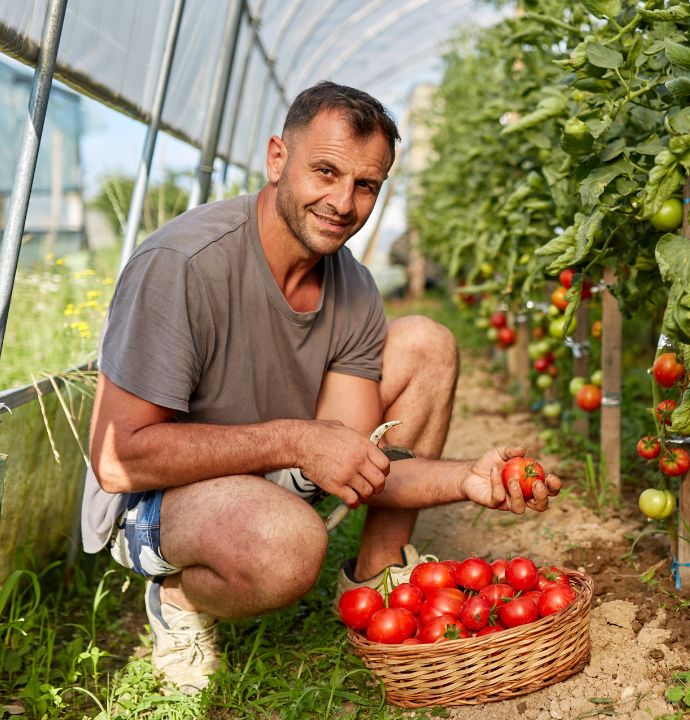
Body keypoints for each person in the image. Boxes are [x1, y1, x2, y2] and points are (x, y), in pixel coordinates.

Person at [80, 81, 560, 694]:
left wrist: (466, 478)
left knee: (425, 341)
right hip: (154, 501)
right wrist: (299, 440)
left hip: (266, 473)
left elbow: (361, 457)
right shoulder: (185, 264)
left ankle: (378, 583)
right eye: (325, 171)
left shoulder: (352, 286)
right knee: (288, 547)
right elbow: (120, 461)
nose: (342, 202)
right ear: (278, 158)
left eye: (366, 186)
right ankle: (178, 599)